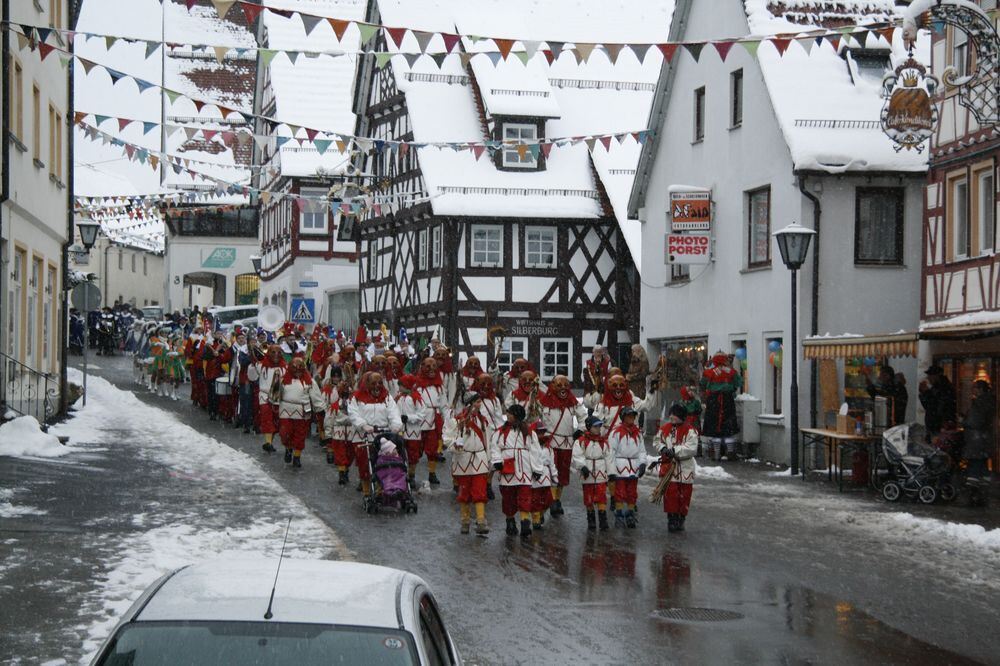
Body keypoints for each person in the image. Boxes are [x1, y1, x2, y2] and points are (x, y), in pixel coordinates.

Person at [490, 404, 544, 538]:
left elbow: (535, 451)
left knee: (525, 496)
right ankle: (510, 521)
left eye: (510, 413)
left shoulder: (529, 433)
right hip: (507, 469)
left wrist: (537, 469)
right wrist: (497, 461)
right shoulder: (500, 432)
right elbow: (494, 448)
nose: (507, 415)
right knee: (508, 498)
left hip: (524, 468)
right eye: (507, 413)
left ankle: (525, 522)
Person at [348, 372, 403, 500]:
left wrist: (396, 425)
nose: (377, 386)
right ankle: (367, 491)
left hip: (383, 436)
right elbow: (353, 414)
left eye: (380, 383)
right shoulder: (356, 398)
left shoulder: (387, 397)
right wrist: (363, 425)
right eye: (373, 383)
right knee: (364, 464)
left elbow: (393, 412)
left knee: (384, 462)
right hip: (363, 435)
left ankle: (381, 489)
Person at [444, 392, 492, 536]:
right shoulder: (457, 421)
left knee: (480, 491)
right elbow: (447, 438)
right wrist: (455, 446)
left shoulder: (483, 421)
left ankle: (481, 521)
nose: (480, 404)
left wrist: (489, 459)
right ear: (470, 404)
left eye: (480, 401)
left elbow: (488, 440)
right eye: (477, 402)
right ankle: (465, 522)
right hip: (463, 459)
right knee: (464, 492)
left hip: (480, 459)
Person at [539, 375, 587, 517]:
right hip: (551, 443)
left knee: (562, 474)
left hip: (567, 443)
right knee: (550, 473)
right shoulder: (544, 402)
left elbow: (583, 417)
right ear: (552, 386)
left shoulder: (573, 402)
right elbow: (535, 418)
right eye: (559, 385)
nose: (563, 389)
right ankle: (551, 501)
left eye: (566, 385)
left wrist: (580, 430)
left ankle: (557, 500)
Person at [652, 404, 699, 532]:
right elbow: (657, 441)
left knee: (684, 494)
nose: (672, 417)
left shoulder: (690, 431)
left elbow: (692, 448)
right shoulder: (664, 429)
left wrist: (674, 450)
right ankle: (671, 519)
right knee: (671, 494)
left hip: (685, 468)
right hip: (669, 468)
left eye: (675, 415)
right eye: (671, 414)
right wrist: (663, 449)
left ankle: (681, 518)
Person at [608, 407, 652, 528]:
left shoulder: (638, 434)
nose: (631, 418)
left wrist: (643, 463)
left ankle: (630, 514)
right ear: (623, 418)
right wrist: (611, 470)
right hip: (620, 467)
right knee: (620, 492)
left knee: (632, 492)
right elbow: (610, 452)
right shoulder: (616, 433)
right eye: (628, 416)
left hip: (634, 467)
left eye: (633, 416)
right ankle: (619, 514)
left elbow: (642, 451)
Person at [276, 357, 324, 468]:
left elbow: (316, 396)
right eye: (295, 369)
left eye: (299, 369)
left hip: (303, 410)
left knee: (300, 434)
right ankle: (288, 449)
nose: (297, 371)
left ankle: (297, 456)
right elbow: (275, 394)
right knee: (285, 433)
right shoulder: (283, 379)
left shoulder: (309, 381)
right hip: (286, 410)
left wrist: (320, 409)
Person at [572, 415, 614, 531]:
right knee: (589, 498)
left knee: (601, 497)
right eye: (595, 427)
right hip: (588, 473)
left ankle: (603, 519)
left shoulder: (604, 442)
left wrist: (611, 473)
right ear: (589, 427)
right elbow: (577, 455)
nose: (598, 429)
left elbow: (609, 458)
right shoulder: (581, 441)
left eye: (599, 426)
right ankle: (591, 520)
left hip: (600, 473)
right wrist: (582, 466)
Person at [700, 352, 742, 460]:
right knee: (728, 429)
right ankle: (731, 453)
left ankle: (716, 453)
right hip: (727, 400)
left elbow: (703, 384)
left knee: (714, 428)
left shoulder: (709, 372)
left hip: (714, 401)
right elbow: (739, 383)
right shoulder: (731, 371)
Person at [962, 380, 995, 506]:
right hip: (984, 439)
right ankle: (983, 492)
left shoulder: (979, 403)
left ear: (980, 389)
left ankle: (973, 493)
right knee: (982, 465)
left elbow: (974, 422)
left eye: (975, 388)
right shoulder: (989, 401)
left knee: (975, 465)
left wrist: (964, 421)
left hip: (976, 439)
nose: (973, 390)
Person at [249, 344, 286, 453]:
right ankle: (268, 442)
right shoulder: (262, 366)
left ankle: (270, 441)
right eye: (273, 353)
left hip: (279, 398)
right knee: (267, 419)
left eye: (278, 353)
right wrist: (253, 364)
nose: (276, 355)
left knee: (277, 421)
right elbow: (252, 377)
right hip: (265, 397)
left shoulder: (285, 367)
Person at [530, 423, 558, 530]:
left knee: (547, 501)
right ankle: (536, 519)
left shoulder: (549, 448)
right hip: (535, 477)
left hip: (546, 477)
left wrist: (555, 476)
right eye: (539, 432)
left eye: (543, 432)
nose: (541, 434)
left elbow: (552, 463)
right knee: (536, 500)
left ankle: (541, 515)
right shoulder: (530, 447)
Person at [919, 365, 957, 438]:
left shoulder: (943, 388)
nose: (928, 378)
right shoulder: (938, 387)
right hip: (936, 425)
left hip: (938, 426)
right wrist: (924, 393)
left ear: (936, 376)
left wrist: (925, 393)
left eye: (930, 376)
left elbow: (935, 407)